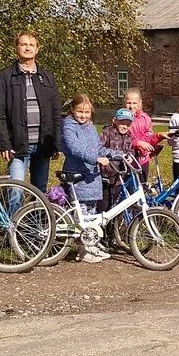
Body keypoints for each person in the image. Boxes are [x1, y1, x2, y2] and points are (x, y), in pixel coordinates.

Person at [0, 31, 60, 193]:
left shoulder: (47, 77)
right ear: (17, 48)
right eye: (23, 44)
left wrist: (57, 143)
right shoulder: (5, 76)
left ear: (37, 49)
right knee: (16, 192)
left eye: (31, 45)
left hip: (43, 145)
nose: (27, 48)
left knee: (40, 192)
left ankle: (36, 219)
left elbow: (56, 112)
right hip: (17, 146)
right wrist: (4, 144)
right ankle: (12, 219)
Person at [60, 93, 115, 262]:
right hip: (78, 175)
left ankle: (91, 246)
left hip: (92, 176)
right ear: (72, 110)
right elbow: (75, 148)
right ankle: (83, 250)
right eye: (80, 112)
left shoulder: (90, 126)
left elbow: (98, 147)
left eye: (87, 112)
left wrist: (117, 154)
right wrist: (96, 159)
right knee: (82, 215)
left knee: (91, 214)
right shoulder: (68, 127)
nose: (83, 116)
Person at [99, 108, 135, 211]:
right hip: (106, 176)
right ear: (114, 121)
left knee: (116, 204)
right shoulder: (107, 133)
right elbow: (99, 148)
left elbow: (131, 150)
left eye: (128, 125)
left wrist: (130, 157)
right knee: (104, 203)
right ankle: (102, 224)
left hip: (119, 177)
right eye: (122, 123)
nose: (125, 127)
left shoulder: (129, 136)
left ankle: (112, 225)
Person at [123, 87, 167, 169]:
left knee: (142, 182)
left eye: (134, 103)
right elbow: (120, 138)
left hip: (143, 159)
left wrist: (158, 136)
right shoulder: (121, 120)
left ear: (140, 103)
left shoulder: (145, 119)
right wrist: (138, 143)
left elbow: (148, 138)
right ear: (124, 103)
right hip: (127, 159)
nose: (131, 106)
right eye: (129, 103)